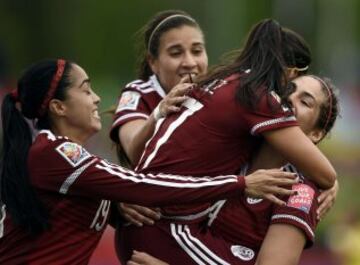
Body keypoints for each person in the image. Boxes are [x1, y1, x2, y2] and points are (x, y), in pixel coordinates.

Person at [0, 59, 297, 264]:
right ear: (59, 107)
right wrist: (242, 184)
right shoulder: (56, 154)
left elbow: (92, 199)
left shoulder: (63, 159)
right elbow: (143, 185)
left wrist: (115, 206)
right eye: (86, 89)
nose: (96, 99)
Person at [116, 19, 337, 263]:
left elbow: (324, 174)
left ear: (317, 134)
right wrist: (123, 195)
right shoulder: (240, 133)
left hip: (159, 233)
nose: (289, 99)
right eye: (289, 90)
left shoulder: (297, 189)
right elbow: (136, 156)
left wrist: (328, 183)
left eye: (305, 102)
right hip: (154, 226)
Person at [110, 9, 208, 167]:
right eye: (176, 53)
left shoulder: (216, 92)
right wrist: (158, 113)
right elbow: (135, 154)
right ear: (153, 62)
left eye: (197, 51)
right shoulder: (139, 93)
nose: (190, 62)